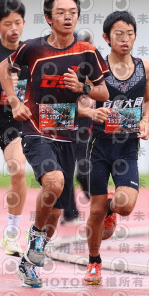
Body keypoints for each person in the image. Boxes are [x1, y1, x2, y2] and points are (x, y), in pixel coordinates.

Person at [0, 0, 109, 287]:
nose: (67, 17)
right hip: (35, 129)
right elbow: (3, 68)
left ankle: (29, 261)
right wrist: (15, 101)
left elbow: (103, 92)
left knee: (57, 212)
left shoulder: (87, 52)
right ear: (49, 18)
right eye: (61, 12)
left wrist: (83, 88)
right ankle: (35, 235)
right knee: (55, 181)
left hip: (67, 136)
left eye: (72, 12)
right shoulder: (33, 48)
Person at [79, 11, 149, 285]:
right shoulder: (95, 68)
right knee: (95, 212)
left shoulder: (145, 67)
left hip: (127, 148)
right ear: (106, 37)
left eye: (130, 34)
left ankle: (111, 207)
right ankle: (94, 262)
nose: (125, 39)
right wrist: (91, 111)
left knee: (125, 206)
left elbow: (147, 100)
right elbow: (82, 102)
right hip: (99, 147)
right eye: (119, 34)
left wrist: (145, 121)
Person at [0, 0, 28, 257]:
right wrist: (4, 87)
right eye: (7, 24)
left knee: (18, 170)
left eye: (18, 22)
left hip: (12, 124)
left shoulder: (30, 53)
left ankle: (12, 233)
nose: (13, 28)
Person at [61, 31, 94, 225]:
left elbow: (90, 98)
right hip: (63, 118)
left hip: (83, 122)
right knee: (63, 169)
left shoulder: (90, 65)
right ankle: (70, 213)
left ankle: (101, 205)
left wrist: (84, 94)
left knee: (82, 170)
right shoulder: (58, 64)